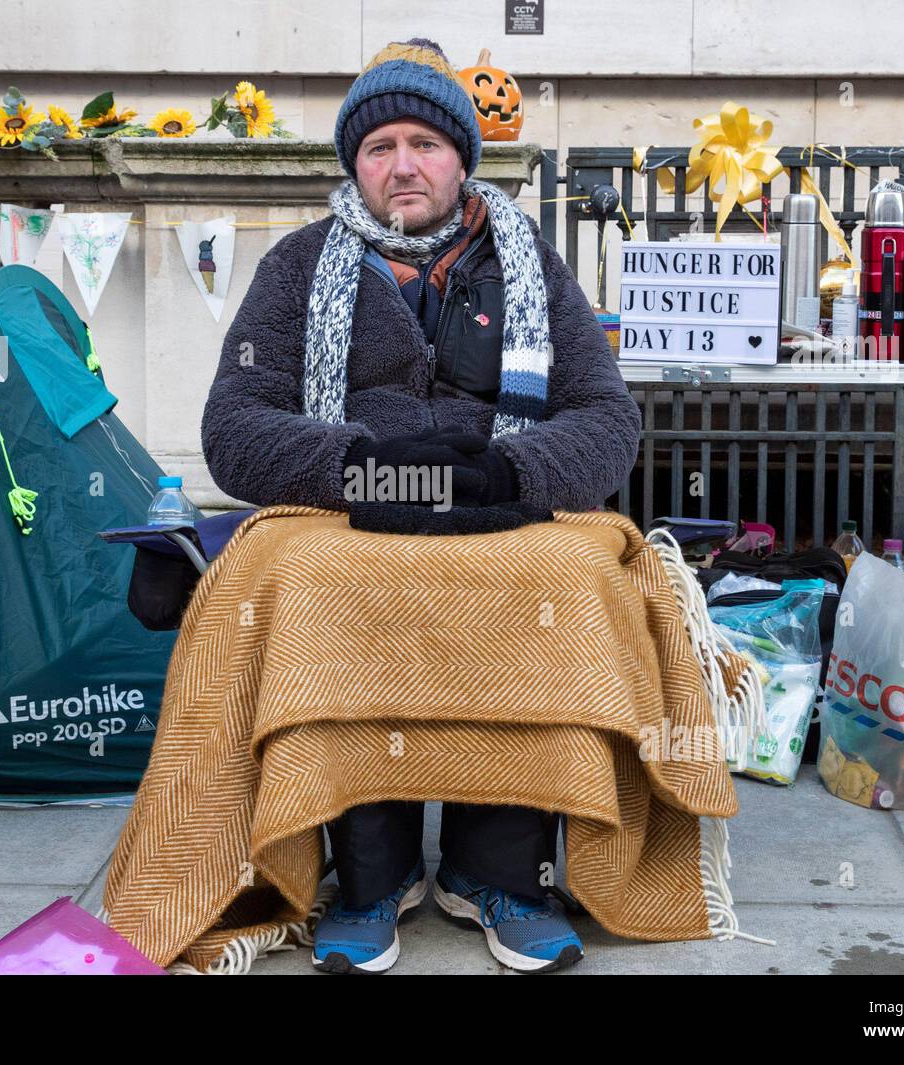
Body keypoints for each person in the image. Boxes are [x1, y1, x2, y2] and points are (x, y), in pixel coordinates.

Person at [200, 37, 642, 974]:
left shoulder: (532, 266)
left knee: (562, 573)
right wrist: (360, 463)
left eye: (426, 144)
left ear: (461, 157)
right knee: (327, 577)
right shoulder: (297, 266)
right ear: (354, 166)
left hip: (502, 500)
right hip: (353, 504)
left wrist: (510, 475)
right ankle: (372, 874)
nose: (404, 165)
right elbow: (234, 425)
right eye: (379, 147)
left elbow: (607, 418)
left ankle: (500, 872)